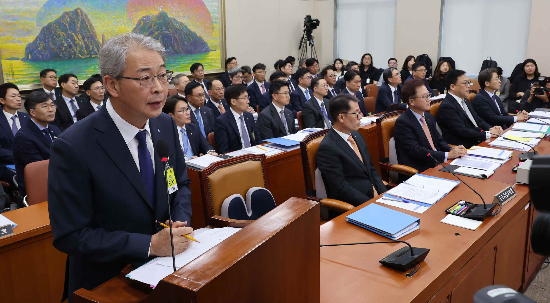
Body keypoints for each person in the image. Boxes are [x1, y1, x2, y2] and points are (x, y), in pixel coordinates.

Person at [48, 33, 193, 301]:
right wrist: (148, 244)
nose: (160, 88)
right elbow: (71, 235)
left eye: (163, 75)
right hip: (109, 283)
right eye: (145, 78)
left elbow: (180, 183)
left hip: (168, 273)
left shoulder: (165, 125)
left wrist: (179, 221)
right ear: (112, 85)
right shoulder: (74, 146)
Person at [317, 94, 386, 206]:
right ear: (341, 118)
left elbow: (371, 169)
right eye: (356, 113)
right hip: (355, 205)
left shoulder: (357, 135)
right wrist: (370, 204)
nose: (360, 117)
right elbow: (341, 188)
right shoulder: (328, 148)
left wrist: (384, 195)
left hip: (374, 196)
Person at [394, 79, 466, 178]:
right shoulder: (403, 123)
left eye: (429, 95)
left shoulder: (428, 117)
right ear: (411, 101)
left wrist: (452, 149)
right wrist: (447, 155)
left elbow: (439, 140)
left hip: (439, 164)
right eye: (425, 97)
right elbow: (417, 151)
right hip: (421, 170)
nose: (429, 99)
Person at [437, 69, 503, 148]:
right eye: (465, 83)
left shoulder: (465, 100)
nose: (468, 86)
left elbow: (478, 120)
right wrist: (488, 134)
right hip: (464, 147)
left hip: (477, 141)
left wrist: (491, 129)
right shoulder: (447, 107)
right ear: (452, 86)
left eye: (468, 82)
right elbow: (463, 131)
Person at [14, 90, 61, 196]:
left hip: (58, 180)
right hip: (40, 188)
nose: (51, 110)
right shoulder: (24, 137)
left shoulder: (55, 129)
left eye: (52, 105)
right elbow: (39, 170)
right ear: (32, 112)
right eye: (45, 106)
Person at [214, 85, 262, 153]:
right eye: (244, 98)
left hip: (254, 154)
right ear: (233, 101)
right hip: (237, 159)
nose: (248, 101)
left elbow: (257, 139)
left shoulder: (248, 116)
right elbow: (223, 151)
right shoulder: (222, 121)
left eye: (248, 98)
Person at [0, 83, 29, 186]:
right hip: (6, 163)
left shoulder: (27, 118)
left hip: (30, 161)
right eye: (13, 96)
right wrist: (19, 157)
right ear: (2, 100)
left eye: (19, 96)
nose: (18, 99)